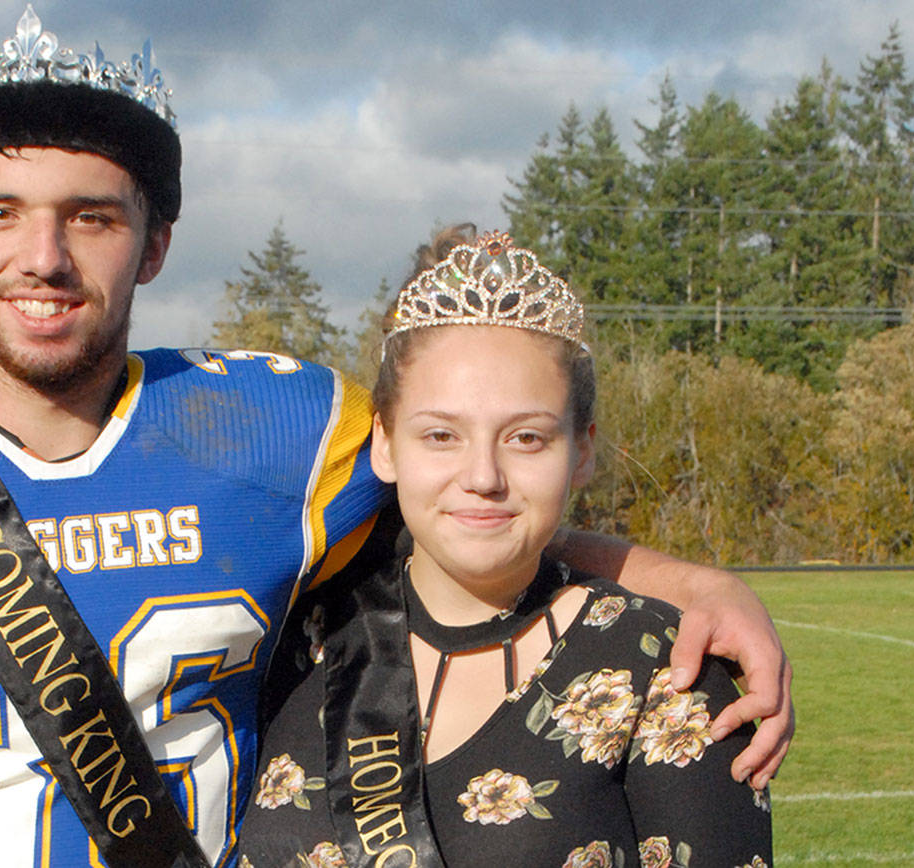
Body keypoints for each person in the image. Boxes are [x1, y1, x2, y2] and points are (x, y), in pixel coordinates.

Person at [0, 8, 788, 867]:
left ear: (154, 243)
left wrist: (686, 580)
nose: (44, 258)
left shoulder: (278, 434)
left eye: (92, 216)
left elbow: (472, 503)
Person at [236, 226, 773, 867]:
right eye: (441, 435)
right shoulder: (293, 636)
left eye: (526, 438)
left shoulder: (664, 671)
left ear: (582, 452)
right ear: (384, 442)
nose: (483, 476)